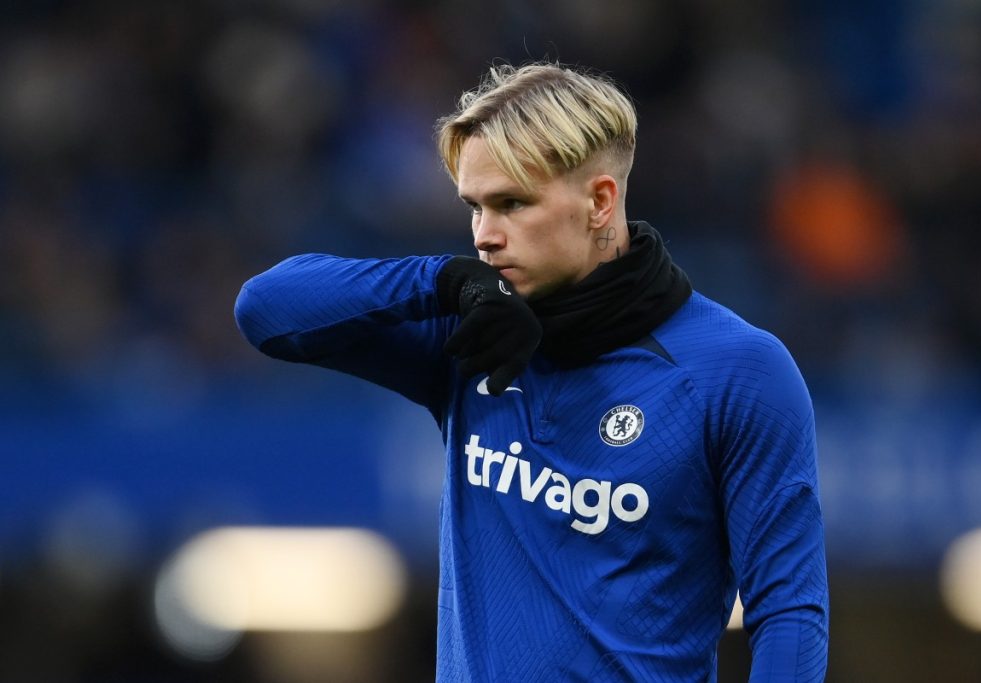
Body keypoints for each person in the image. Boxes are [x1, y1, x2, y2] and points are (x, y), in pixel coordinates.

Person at [235, 62, 829, 682]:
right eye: (475, 207)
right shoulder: (468, 338)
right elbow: (266, 310)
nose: (484, 237)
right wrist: (440, 279)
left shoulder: (737, 372)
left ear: (600, 201)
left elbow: (789, 613)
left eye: (512, 203)